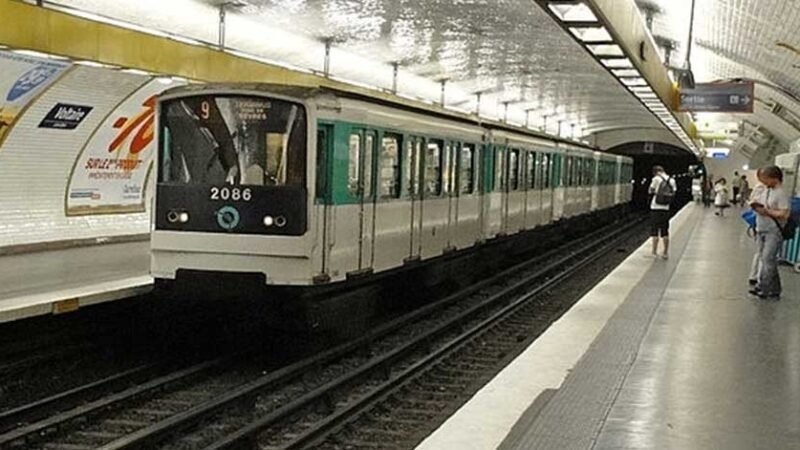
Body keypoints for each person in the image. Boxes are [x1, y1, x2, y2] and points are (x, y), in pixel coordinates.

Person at [749, 166, 791, 300]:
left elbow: (784, 214)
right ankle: (775, 289)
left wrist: (767, 212)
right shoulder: (767, 190)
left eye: (766, 179)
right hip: (761, 228)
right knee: (767, 259)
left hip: (773, 231)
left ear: (774, 178)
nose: (764, 182)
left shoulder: (781, 193)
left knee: (767, 259)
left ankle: (764, 288)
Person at [648, 165, 677, 259]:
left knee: (655, 230)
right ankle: (665, 253)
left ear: (655, 172)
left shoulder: (656, 179)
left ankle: (654, 252)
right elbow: (674, 192)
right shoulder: (671, 180)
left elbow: (650, 191)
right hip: (666, 208)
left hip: (655, 207)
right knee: (665, 231)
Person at [747, 169, 767, 286]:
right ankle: (758, 277)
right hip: (762, 223)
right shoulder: (761, 187)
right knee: (762, 252)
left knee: (759, 251)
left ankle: (754, 276)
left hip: (759, 223)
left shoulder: (758, 187)